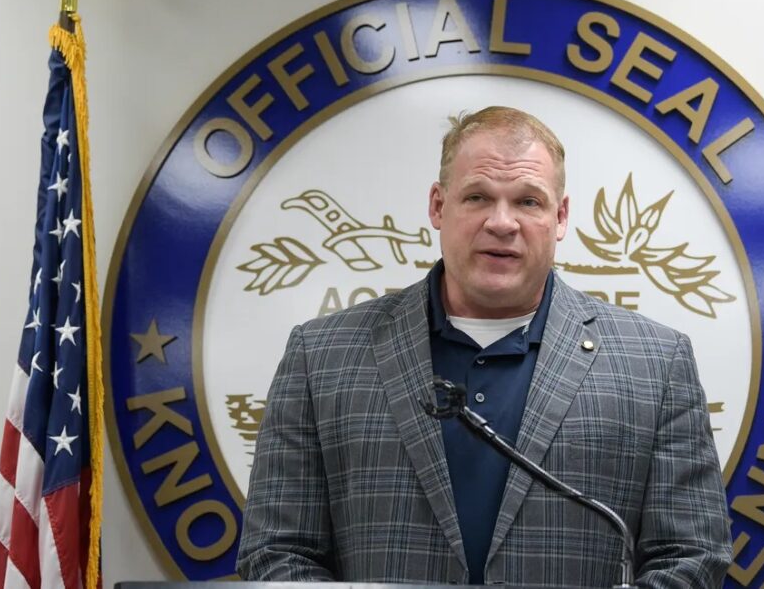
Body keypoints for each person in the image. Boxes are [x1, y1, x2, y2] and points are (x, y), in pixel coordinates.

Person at [237, 106, 732, 587]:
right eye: (477, 197)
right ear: (438, 205)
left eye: (528, 201)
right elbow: (277, 552)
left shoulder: (656, 362)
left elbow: (690, 556)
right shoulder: (322, 354)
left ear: (560, 217)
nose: (502, 222)